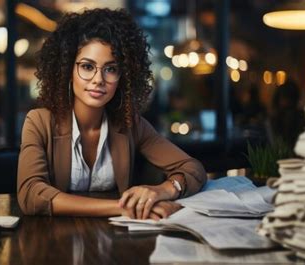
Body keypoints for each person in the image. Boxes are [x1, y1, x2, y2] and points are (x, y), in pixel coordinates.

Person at [17, 8, 207, 219]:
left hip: (116, 241)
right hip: (55, 242)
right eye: (87, 66)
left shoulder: (130, 124)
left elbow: (193, 168)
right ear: (67, 71)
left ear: (123, 77)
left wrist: (163, 190)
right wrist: (124, 208)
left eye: (111, 69)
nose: (99, 79)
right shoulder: (38, 122)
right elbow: (31, 194)